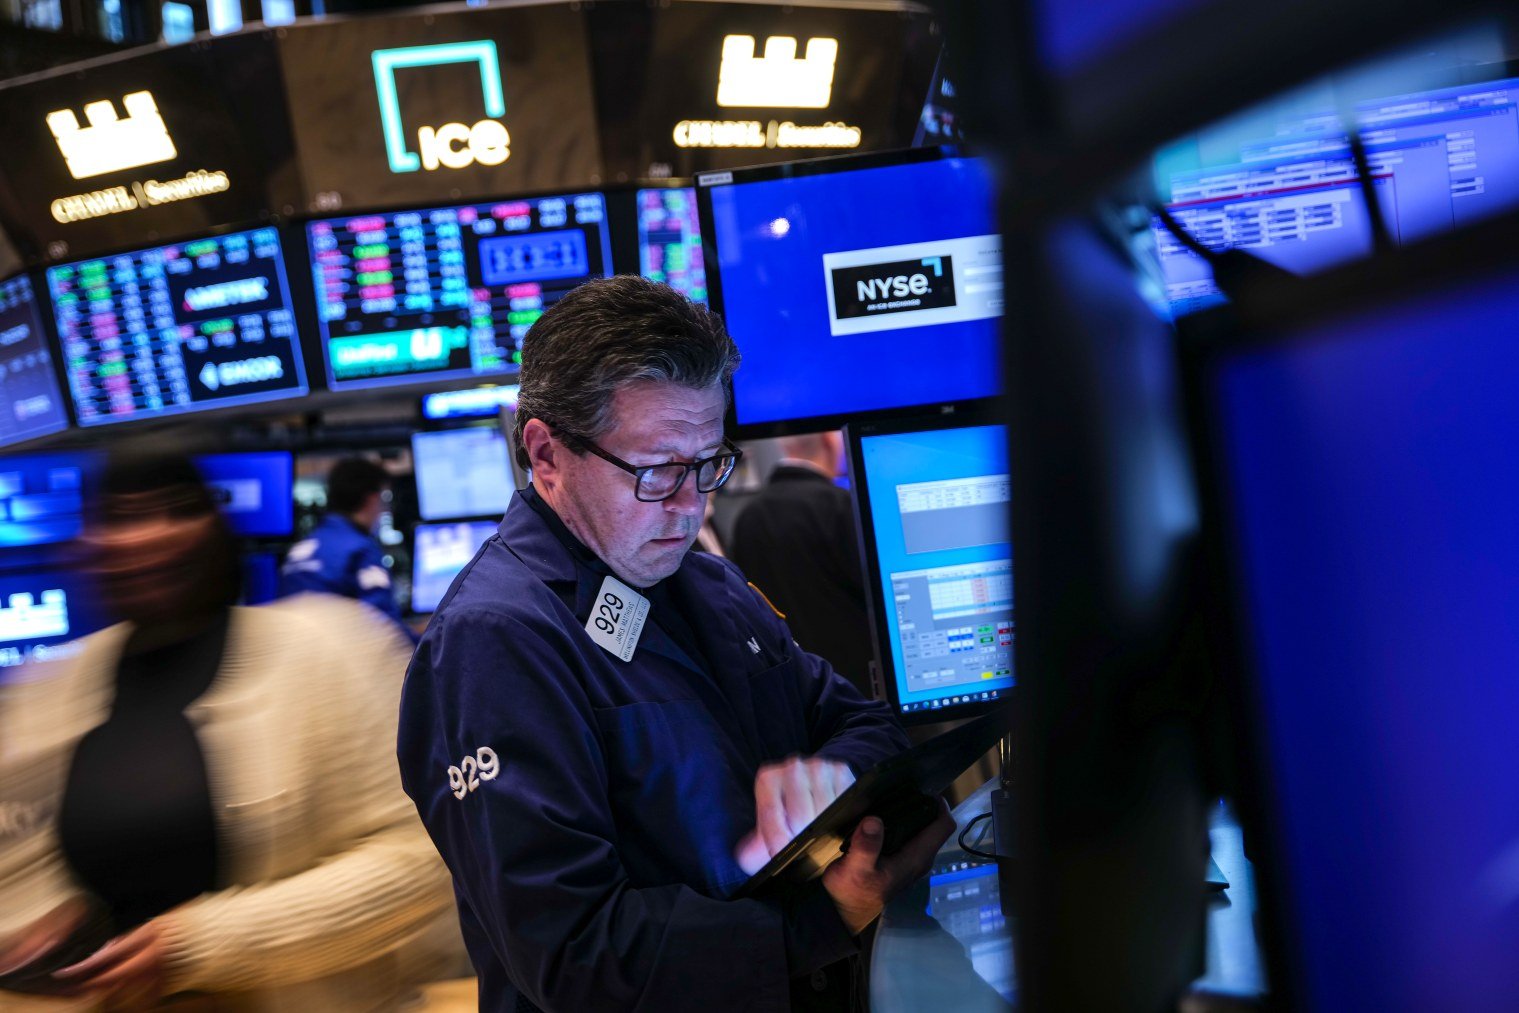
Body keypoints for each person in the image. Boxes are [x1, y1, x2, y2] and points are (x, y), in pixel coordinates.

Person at [397, 277, 953, 1013]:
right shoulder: (496, 640)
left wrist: (825, 777)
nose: (690, 506)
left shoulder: (707, 585)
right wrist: (816, 921)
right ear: (546, 452)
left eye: (707, 464)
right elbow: (573, 950)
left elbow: (863, 723)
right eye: (658, 471)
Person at [0, 452, 460, 1010]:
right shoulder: (53, 688)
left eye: (175, 510)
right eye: (119, 518)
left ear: (216, 529)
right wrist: (57, 926)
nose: (145, 536)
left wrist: (196, 944)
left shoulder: (334, 649)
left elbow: (421, 859)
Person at [729, 432, 875, 697]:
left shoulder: (748, 517)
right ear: (830, 441)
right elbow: (876, 597)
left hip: (792, 685)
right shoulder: (840, 506)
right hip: (858, 684)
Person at [281, 456, 415, 641]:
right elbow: (385, 629)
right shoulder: (360, 550)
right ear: (371, 499)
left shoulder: (302, 548)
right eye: (384, 499)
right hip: (336, 660)